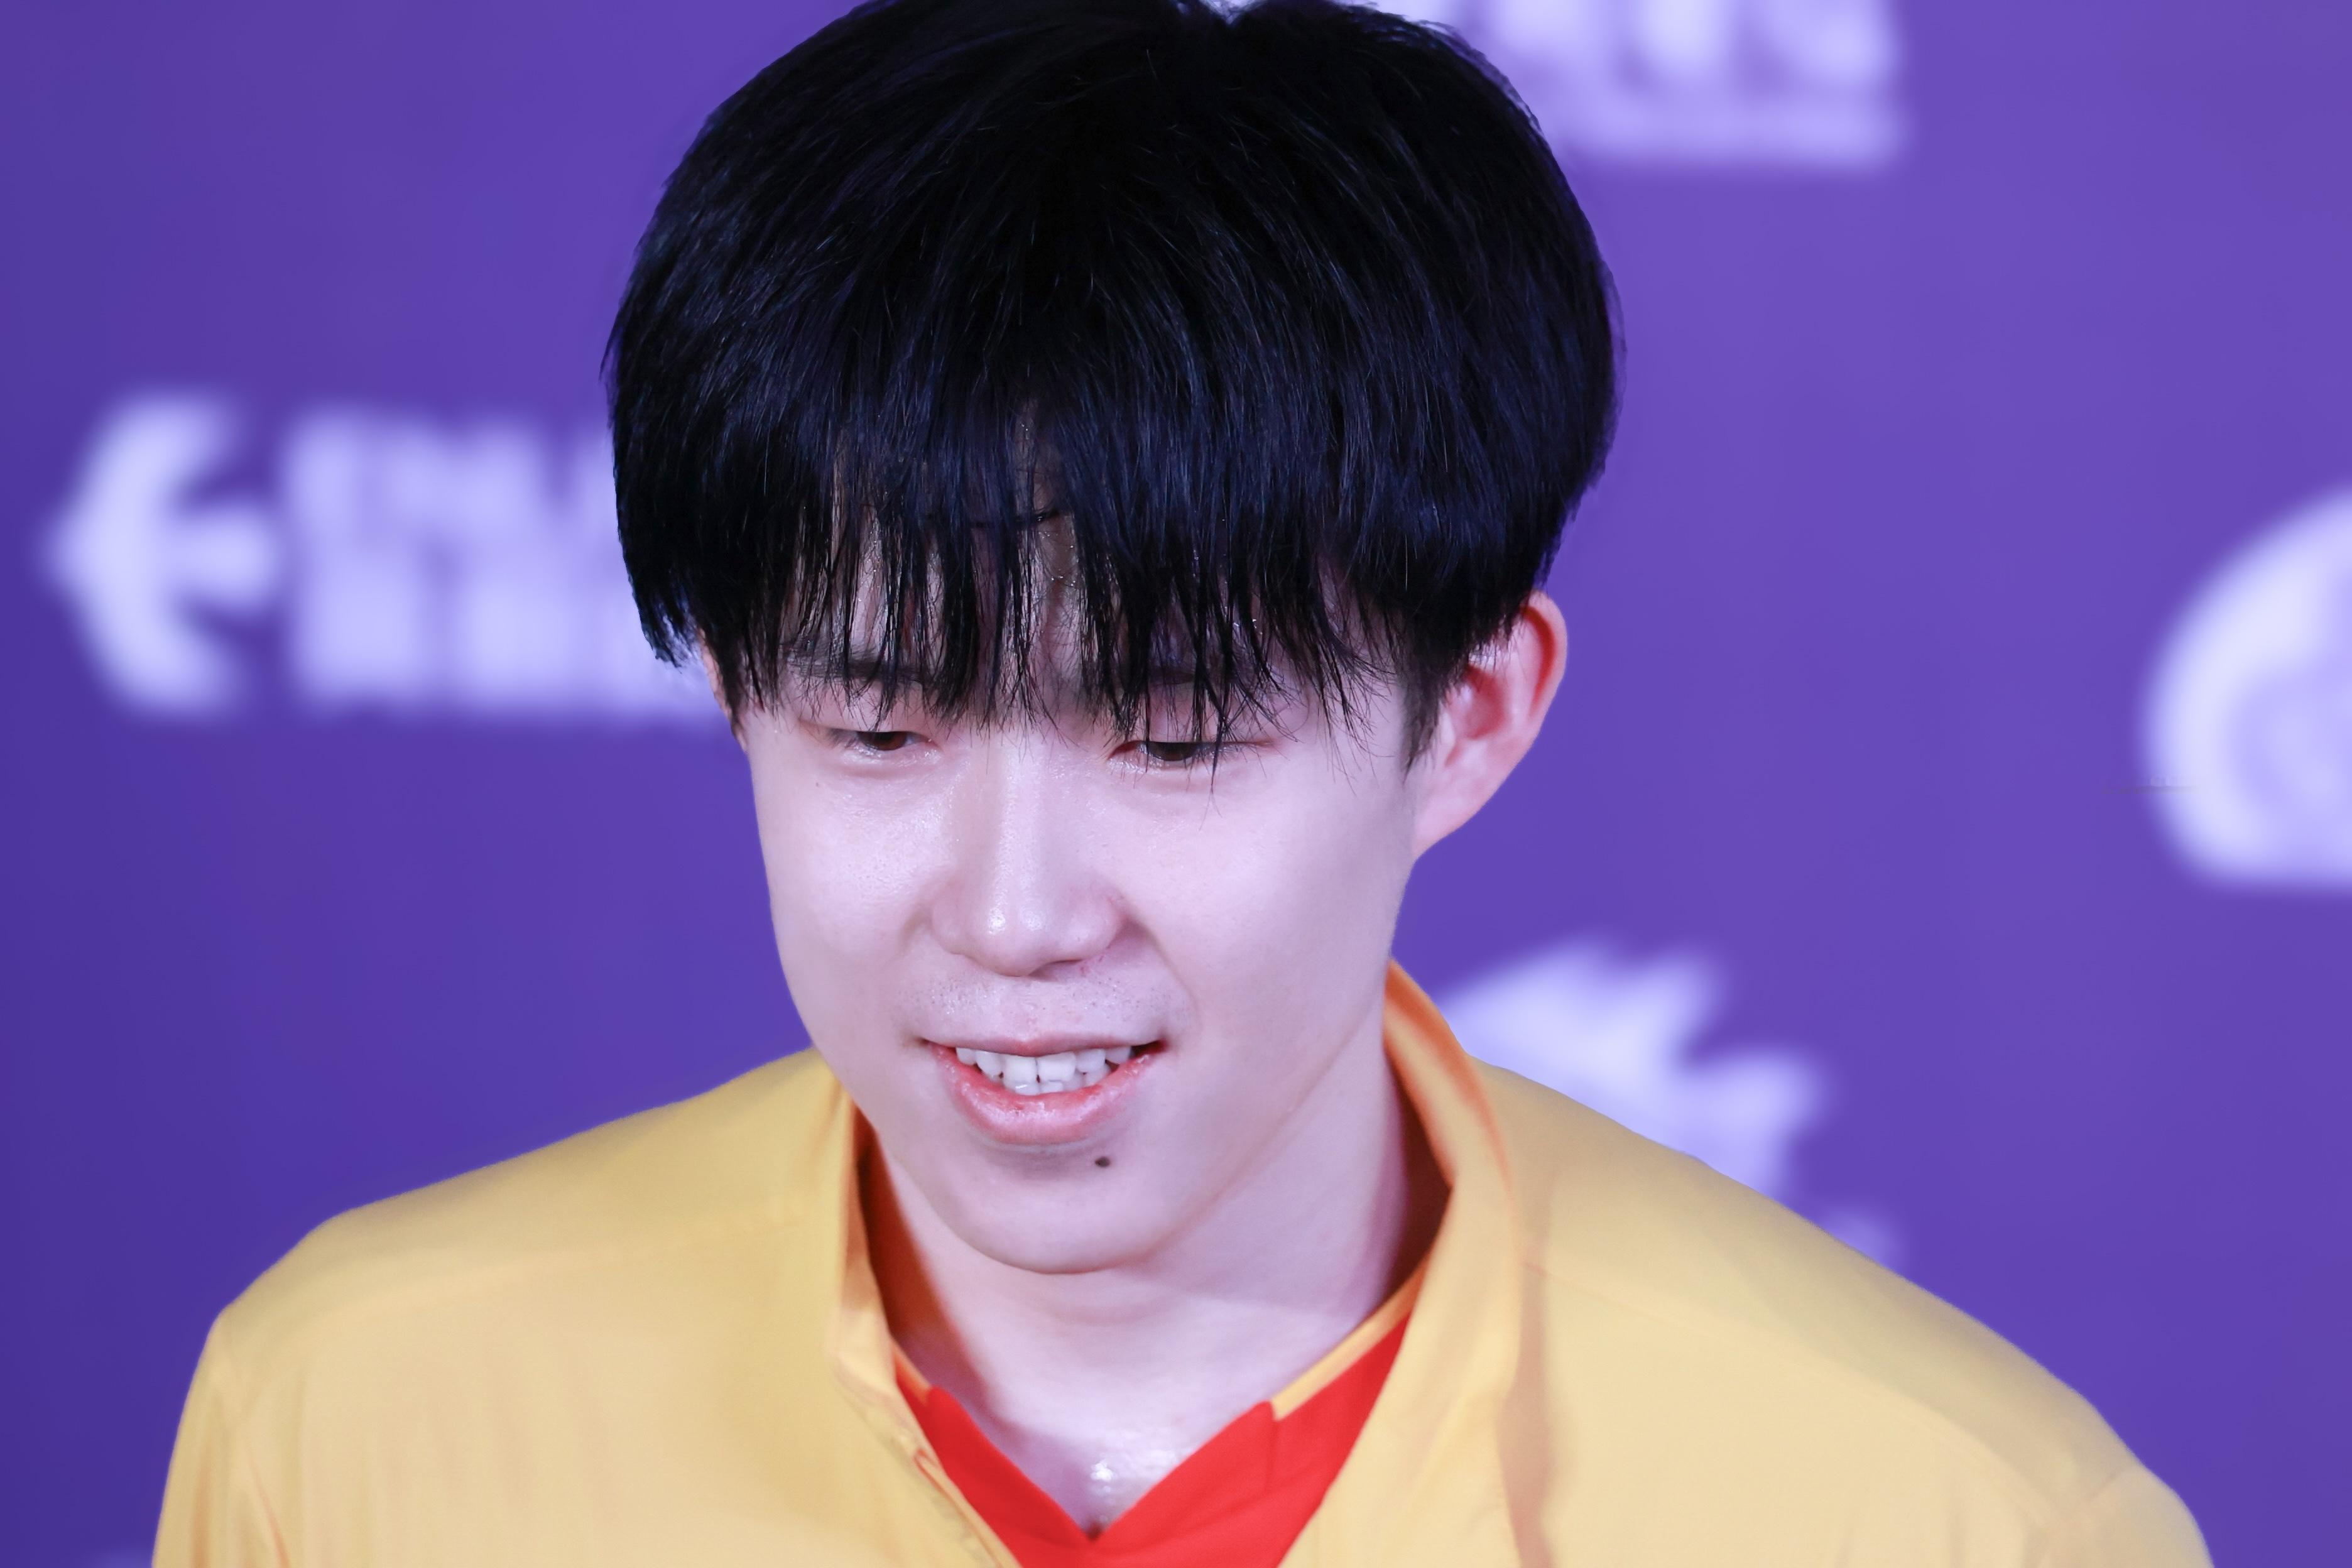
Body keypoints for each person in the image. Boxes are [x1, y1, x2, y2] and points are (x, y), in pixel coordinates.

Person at [156, 0, 2211, 1562]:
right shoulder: (360, 1422)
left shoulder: (1946, 1518)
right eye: (880, 730)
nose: (1015, 914)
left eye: (1172, 739)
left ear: (1470, 720)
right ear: (732, 696)